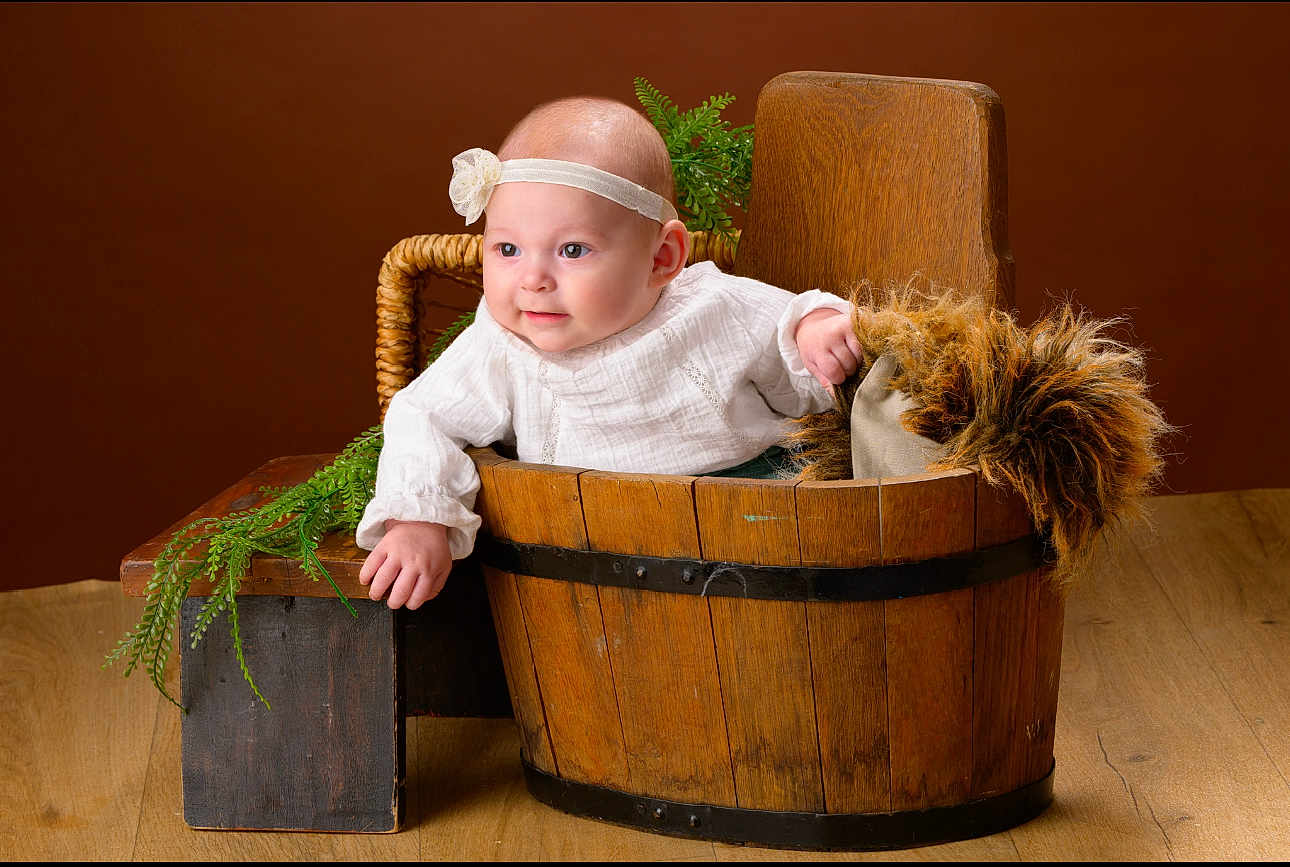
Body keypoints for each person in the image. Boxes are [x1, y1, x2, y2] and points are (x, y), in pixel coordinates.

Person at [356, 97, 862, 610]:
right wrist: (420, 518)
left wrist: (815, 330)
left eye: (572, 250)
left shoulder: (707, 307)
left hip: (756, 528)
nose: (532, 280)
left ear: (662, 259)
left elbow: (786, 324)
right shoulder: (503, 341)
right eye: (507, 250)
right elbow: (424, 414)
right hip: (589, 558)